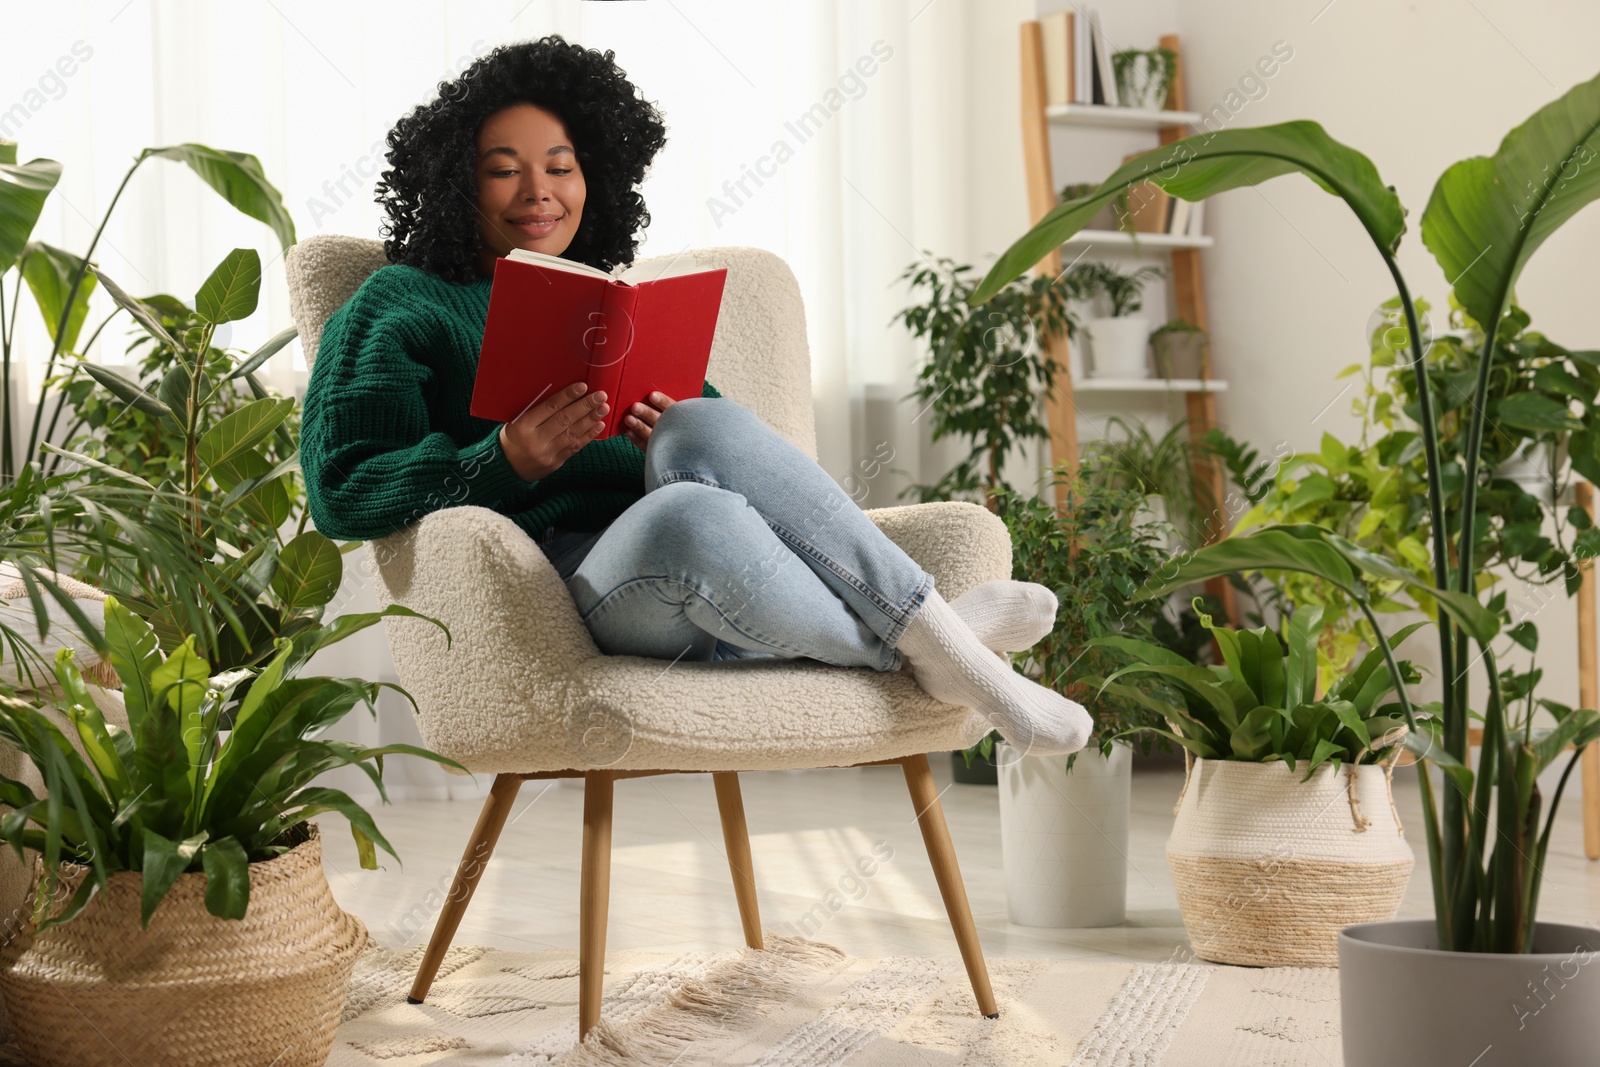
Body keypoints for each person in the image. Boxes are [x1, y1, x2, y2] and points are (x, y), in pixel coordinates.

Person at [299, 35, 1091, 756]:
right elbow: (340, 490)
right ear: (455, 184)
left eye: (561, 165)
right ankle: (948, 640)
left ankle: (925, 638)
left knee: (702, 426)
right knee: (689, 517)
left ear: (594, 176)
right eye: (503, 168)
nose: (538, 191)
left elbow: (736, 456)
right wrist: (503, 458)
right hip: (572, 588)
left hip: (725, 566)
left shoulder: (608, 302)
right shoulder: (399, 304)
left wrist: (663, 431)